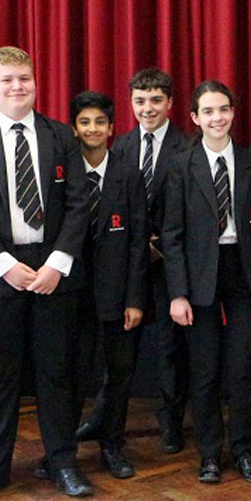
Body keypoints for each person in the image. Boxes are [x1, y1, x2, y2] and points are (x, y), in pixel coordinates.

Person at [0, 46, 92, 501]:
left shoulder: (60, 136)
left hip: (53, 272)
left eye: (24, 78)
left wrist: (57, 264)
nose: (17, 86)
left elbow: (78, 204)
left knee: (56, 374)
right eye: (7, 79)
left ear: (35, 81)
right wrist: (4, 265)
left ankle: (63, 463)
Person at [161, 81, 251, 484]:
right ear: (195, 118)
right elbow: (171, 235)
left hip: (243, 272)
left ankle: (245, 450)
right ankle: (210, 454)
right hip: (198, 278)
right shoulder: (181, 165)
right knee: (206, 370)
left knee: (243, 368)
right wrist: (177, 293)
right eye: (208, 112)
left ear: (233, 113)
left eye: (223, 109)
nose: (217, 118)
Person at [108, 67, 190, 455]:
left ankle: (171, 420)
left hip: (171, 261)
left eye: (156, 100)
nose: (148, 108)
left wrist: (158, 245)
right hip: (127, 263)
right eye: (140, 101)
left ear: (171, 103)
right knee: (121, 345)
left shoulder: (188, 148)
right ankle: (109, 421)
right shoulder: (118, 147)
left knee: (171, 347)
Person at [69, 92, 148, 479]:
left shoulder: (128, 173)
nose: (93, 129)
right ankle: (62, 450)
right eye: (85, 122)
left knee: (119, 372)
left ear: (112, 128)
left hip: (119, 296)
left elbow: (137, 241)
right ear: (74, 128)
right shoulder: (63, 172)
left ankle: (112, 444)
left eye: (100, 121)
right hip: (73, 294)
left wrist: (135, 298)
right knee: (72, 373)